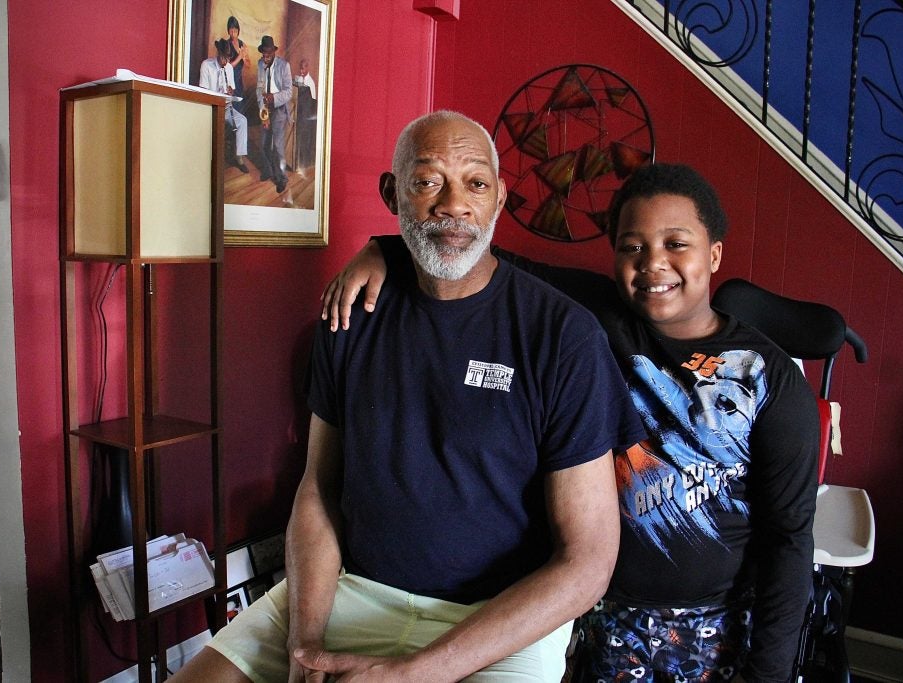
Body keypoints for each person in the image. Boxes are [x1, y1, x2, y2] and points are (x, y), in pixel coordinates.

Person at [171, 110, 645, 682]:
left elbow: (588, 561)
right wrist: (307, 647)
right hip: (354, 590)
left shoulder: (564, 337)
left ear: (498, 201)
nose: (453, 204)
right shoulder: (350, 314)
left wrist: (414, 673)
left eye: (475, 184)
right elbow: (319, 488)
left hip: (497, 620)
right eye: (427, 182)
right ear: (392, 193)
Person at [321, 163, 820, 682]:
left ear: (713, 253)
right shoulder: (591, 318)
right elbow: (481, 259)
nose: (653, 264)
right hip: (594, 617)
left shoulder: (770, 378)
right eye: (632, 247)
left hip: (711, 626)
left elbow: (789, 538)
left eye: (677, 244)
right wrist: (385, 249)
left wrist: (769, 673)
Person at [199, 38, 249, 173]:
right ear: (218, 53)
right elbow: (203, 92)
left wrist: (230, 91)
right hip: (210, 108)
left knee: (242, 121)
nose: (225, 62)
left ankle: (239, 158)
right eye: (223, 58)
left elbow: (231, 88)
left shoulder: (228, 68)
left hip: (226, 108)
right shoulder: (206, 65)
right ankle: (212, 161)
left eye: (227, 58)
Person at [256, 35, 292, 193]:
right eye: (263, 54)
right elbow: (259, 89)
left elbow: (289, 92)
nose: (265, 57)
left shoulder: (284, 66)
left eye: (268, 54)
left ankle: (281, 178)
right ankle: (269, 171)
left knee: (277, 146)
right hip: (266, 107)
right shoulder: (260, 64)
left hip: (279, 109)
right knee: (264, 144)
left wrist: (274, 98)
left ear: (274, 52)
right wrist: (263, 112)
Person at [292, 58, 318, 170]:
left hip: (307, 115)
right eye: (300, 68)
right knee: (298, 138)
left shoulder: (310, 82)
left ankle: (304, 164)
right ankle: (297, 162)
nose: (301, 71)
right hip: (300, 112)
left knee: (304, 139)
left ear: (307, 68)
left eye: (303, 69)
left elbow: (312, 102)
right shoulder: (300, 78)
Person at [224, 16, 248, 114]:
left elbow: (248, 64)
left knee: (239, 108)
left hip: (238, 80)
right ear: (228, 31)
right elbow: (227, 67)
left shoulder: (242, 44)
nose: (233, 33)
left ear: (238, 30)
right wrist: (239, 57)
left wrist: (244, 58)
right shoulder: (226, 44)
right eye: (231, 30)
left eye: (235, 30)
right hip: (229, 80)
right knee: (230, 108)